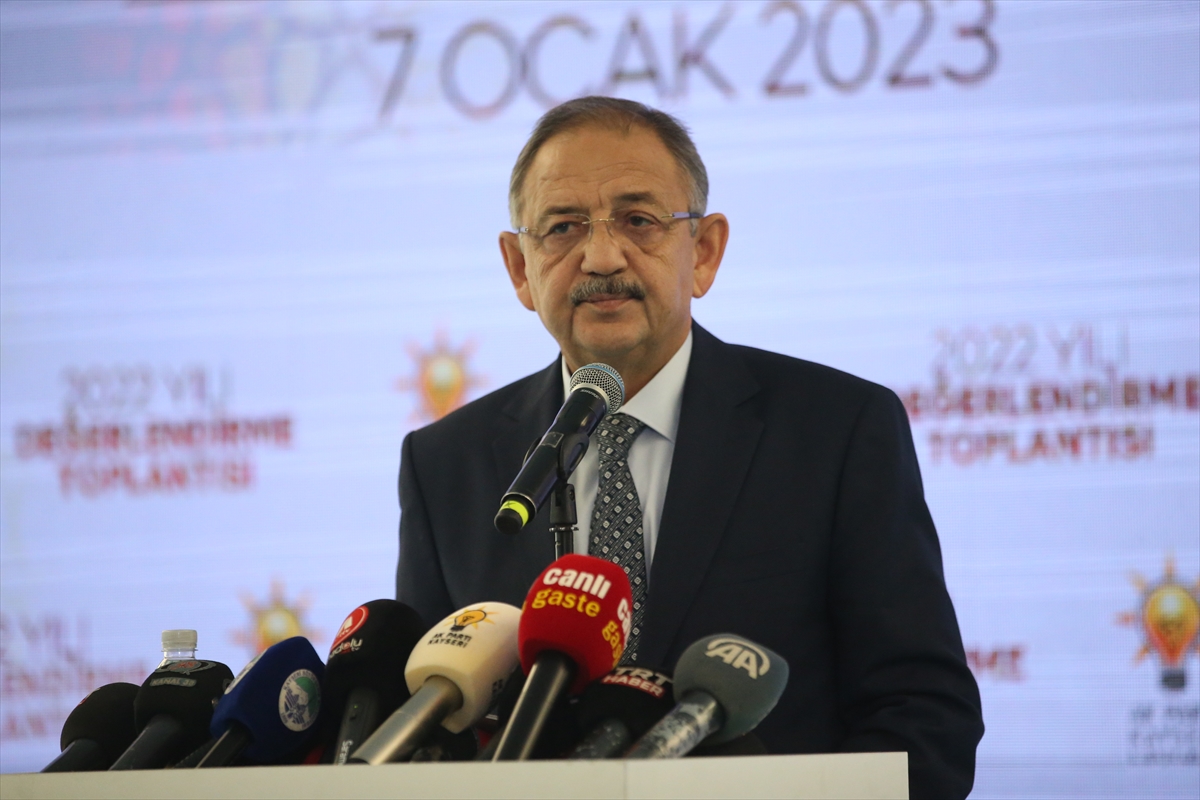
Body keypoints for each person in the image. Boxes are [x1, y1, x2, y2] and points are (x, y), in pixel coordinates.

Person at [396, 96, 983, 797]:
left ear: (703, 252)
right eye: (563, 227)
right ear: (520, 267)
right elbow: (428, 731)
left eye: (639, 221)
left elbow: (922, 714)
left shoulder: (837, 430)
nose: (601, 256)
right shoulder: (445, 465)